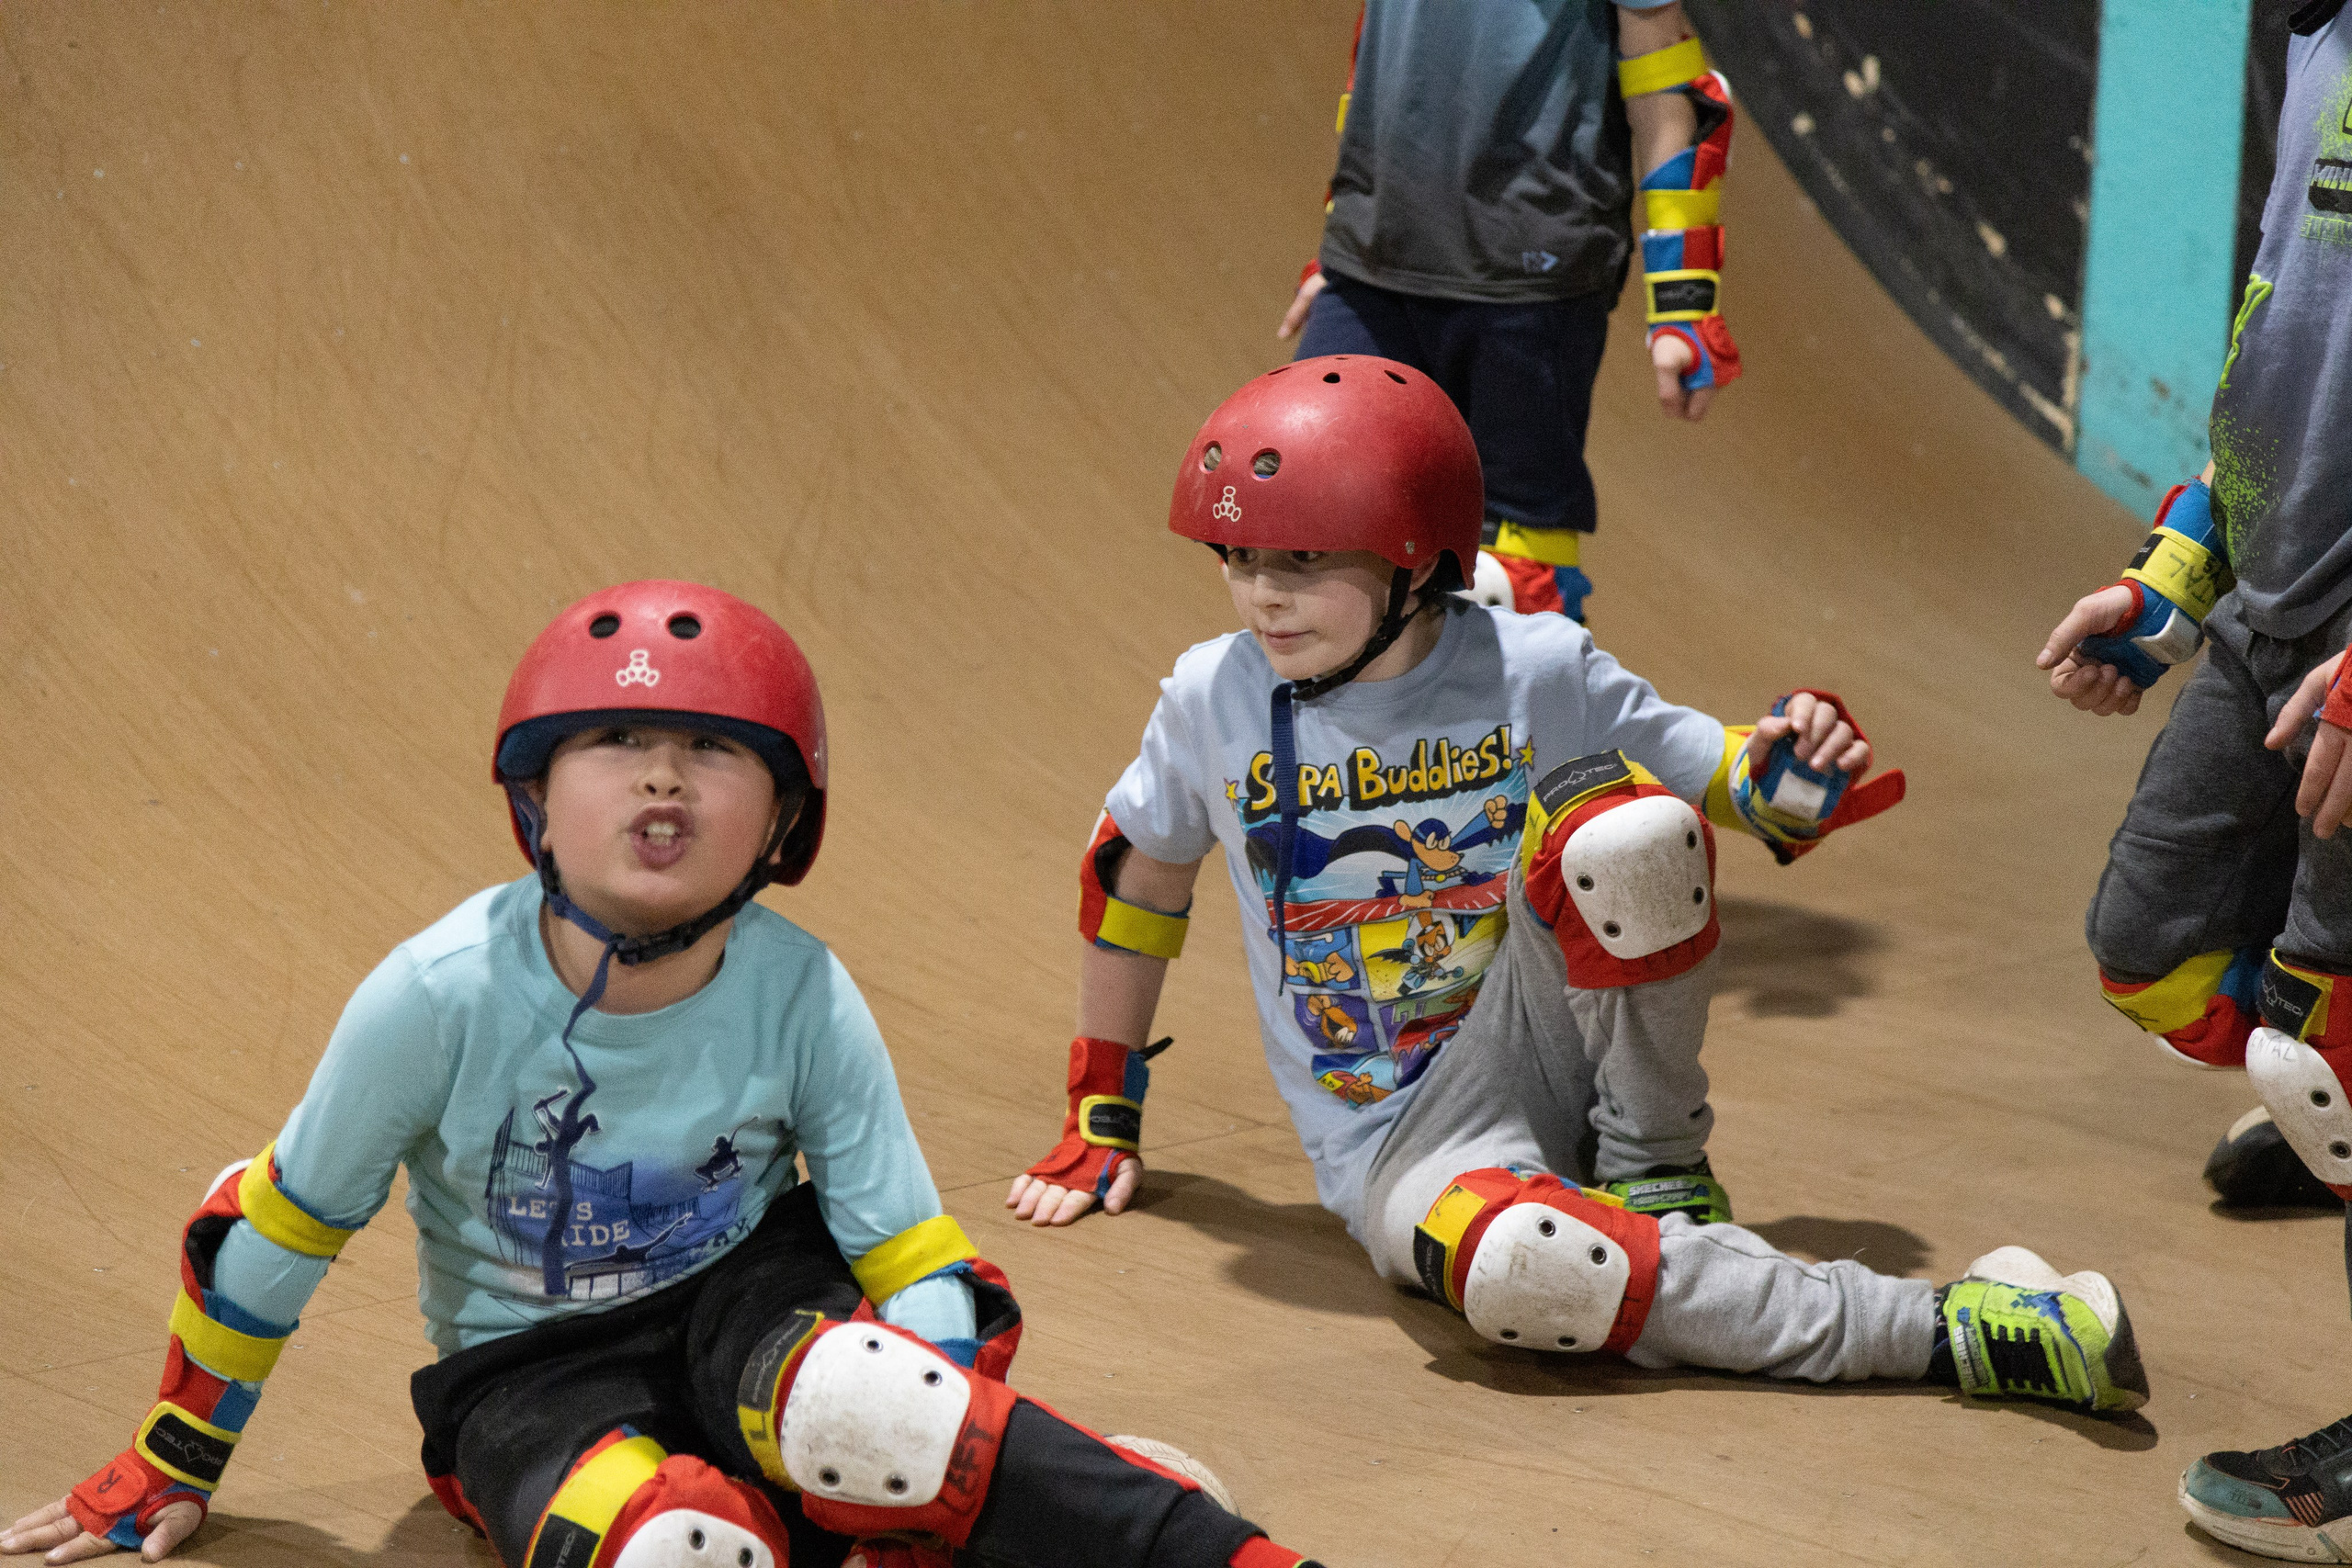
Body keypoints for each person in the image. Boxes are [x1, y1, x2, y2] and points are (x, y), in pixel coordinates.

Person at [1, 582, 1318, 1568]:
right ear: (535, 795)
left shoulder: (798, 984)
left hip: (752, 1306)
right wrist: (176, 1452)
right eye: (617, 738)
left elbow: (911, 1250)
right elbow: (274, 1226)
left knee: (879, 1404)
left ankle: (1195, 1546)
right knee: (671, 1547)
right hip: (525, 1377)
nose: (663, 774)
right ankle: (1010, 1511)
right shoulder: (435, 991)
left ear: (784, 818)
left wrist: (935, 1449)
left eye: (714, 748)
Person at [1008, 357, 2144, 1417]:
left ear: (1416, 554)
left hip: (1551, 1027)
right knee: (1527, 1279)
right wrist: (1102, 1105)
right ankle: (1960, 1325)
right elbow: (1134, 876)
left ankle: (1653, 1170)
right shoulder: (1212, 697)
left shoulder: (1533, 663)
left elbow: (1726, 780)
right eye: (1240, 560)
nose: (1261, 594)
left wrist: (1801, 772)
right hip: (1401, 1146)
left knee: (1633, 827)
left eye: (1304, 561)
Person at [2034, 1, 2352, 1553]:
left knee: (2341, 1042)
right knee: (2153, 942)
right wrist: (2172, 579)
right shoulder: (2309, 36)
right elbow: (2276, 332)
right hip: (2270, 606)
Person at [1277, 0, 1743, 623]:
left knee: (1512, 590)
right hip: (1370, 270)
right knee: (1298, 538)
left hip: (1533, 289)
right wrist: (1348, 228)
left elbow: (1663, 75)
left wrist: (1683, 300)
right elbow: (1380, 55)